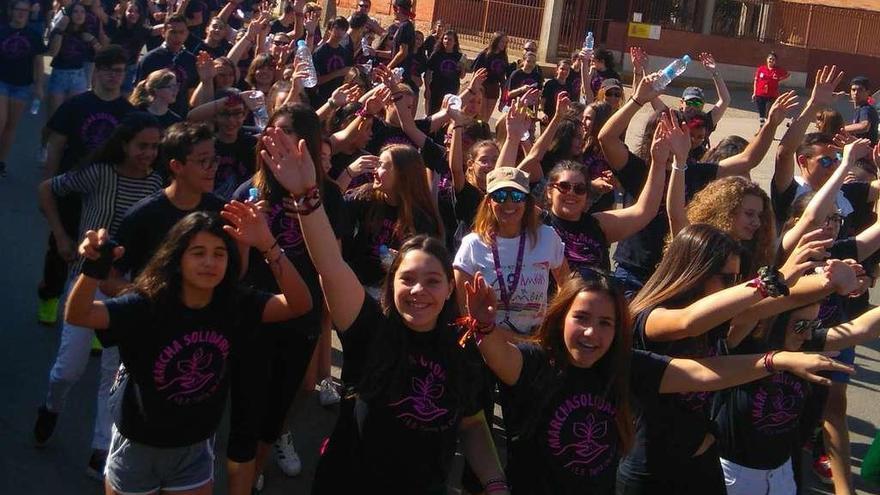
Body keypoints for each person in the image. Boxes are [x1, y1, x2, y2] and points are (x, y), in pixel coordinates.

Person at [256, 127, 509, 493]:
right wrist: (306, 197)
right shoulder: (369, 328)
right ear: (391, 285)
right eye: (407, 279)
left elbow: (471, 423)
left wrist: (495, 481)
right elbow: (330, 265)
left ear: (450, 287)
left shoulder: (460, 348)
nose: (418, 290)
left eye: (432, 281)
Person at [460, 271, 853, 495]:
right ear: (561, 316)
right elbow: (500, 356)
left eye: (605, 323)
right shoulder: (535, 362)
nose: (591, 334)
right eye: (581, 318)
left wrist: (775, 359)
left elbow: (702, 374)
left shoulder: (626, 366)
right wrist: (483, 325)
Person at [65, 205, 312, 495]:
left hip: (193, 450)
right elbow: (78, 315)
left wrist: (268, 244)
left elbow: (299, 304)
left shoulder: (234, 303)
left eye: (219, 254)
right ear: (176, 257)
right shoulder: (146, 304)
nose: (209, 262)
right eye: (198, 253)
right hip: (137, 446)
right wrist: (93, 268)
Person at [617, 223, 818, 493]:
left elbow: (777, 303)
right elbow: (688, 322)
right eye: (726, 279)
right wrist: (770, 281)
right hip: (651, 471)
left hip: (701, 461)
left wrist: (825, 280)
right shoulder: (649, 317)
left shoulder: (715, 320)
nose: (732, 288)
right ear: (695, 273)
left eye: (737, 280)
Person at [33, 112, 165, 479]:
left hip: (126, 291)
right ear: (125, 144)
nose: (148, 153)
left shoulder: (157, 186)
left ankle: (99, 447)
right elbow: (48, 189)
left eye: (155, 147)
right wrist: (62, 237)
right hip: (86, 285)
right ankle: (51, 405)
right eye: (142, 146)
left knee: (111, 374)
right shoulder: (99, 174)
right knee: (68, 369)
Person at [225, 105, 348, 492]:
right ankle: (242, 478)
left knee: (277, 411)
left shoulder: (327, 196)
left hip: (302, 320)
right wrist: (249, 239)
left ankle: (258, 466)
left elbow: (333, 265)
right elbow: (233, 275)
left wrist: (328, 323)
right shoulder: (250, 191)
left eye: (287, 138)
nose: (275, 144)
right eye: (271, 135)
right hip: (255, 317)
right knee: (246, 413)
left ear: (307, 147)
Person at [37, 44, 135, 325]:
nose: (113, 76)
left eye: (119, 71)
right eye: (107, 70)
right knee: (60, 248)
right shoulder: (77, 105)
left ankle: (92, 314)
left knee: (102, 254)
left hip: (107, 195)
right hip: (71, 188)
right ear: (96, 72)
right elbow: (56, 146)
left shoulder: (128, 113)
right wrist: (49, 183)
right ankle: (50, 297)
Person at [454, 167, 569, 337]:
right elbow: (463, 308)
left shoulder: (547, 237)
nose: (508, 203)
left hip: (536, 338)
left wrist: (555, 321)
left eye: (516, 196)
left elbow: (565, 284)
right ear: (488, 202)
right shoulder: (472, 245)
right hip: (490, 339)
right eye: (500, 196)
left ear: (527, 201)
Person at [343, 143, 444, 293]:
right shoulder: (366, 196)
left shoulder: (421, 219)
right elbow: (332, 208)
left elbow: (426, 263)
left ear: (403, 174)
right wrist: (348, 173)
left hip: (392, 291)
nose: (375, 171)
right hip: (356, 283)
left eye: (382, 166)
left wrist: (403, 261)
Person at [0, 0, 45, 177]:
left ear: (29, 13)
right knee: (1, 121)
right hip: (1, 81)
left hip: (22, 85)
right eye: (18, 10)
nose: (21, 13)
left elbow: (38, 62)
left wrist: (39, 85)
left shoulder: (34, 35)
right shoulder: (2, 31)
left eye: (25, 11)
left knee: (11, 126)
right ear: (12, 11)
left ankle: (1, 162)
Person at [46, 3, 104, 117]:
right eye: (75, 12)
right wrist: (60, 30)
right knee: (55, 117)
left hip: (78, 76)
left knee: (74, 116)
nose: (79, 15)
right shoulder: (59, 30)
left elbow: (100, 55)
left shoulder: (86, 33)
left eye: (82, 12)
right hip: (59, 74)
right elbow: (53, 52)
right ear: (69, 14)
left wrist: (93, 40)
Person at [136, 13, 198, 116]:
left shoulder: (191, 60)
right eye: (173, 32)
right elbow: (140, 92)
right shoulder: (150, 59)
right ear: (163, 32)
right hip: (152, 115)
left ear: (187, 34)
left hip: (179, 115)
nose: (177, 36)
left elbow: (191, 92)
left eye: (181, 32)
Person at [312, 16, 353, 105]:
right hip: (321, 97)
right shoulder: (320, 52)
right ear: (329, 30)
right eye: (337, 28)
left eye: (343, 29)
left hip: (339, 98)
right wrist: (338, 73)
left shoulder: (344, 52)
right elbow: (315, 81)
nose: (340, 32)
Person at [424, 29, 465, 114]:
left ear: (455, 42)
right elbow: (428, 72)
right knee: (433, 114)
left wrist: (462, 67)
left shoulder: (459, 57)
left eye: (450, 39)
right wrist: (427, 88)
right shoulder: (436, 54)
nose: (447, 41)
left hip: (451, 90)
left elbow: (462, 76)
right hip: (436, 89)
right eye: (445, 39)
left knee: (447, 115)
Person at [472, 32, 509, 121]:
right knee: (480, 115)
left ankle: (483, 133)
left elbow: (502, 78)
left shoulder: (503, 57)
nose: (504, 44)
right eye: (502, 42)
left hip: (494, 88)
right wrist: (475, 89)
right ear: (496, 41)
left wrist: (503, 97)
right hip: (483, 86)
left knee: (486, 117)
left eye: (505, 42)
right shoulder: (484, 54)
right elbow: (475, 73)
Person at [753, 52, 789, 127]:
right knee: (761, 113)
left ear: (775, 61)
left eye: (773, 59)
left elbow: (787, 74)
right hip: (760, 94)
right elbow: (756, 81)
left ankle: (767, 130)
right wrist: (754, 93)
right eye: (770, 59)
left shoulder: (778, 70)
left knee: (769, 112)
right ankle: (761, 129)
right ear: (767, 59)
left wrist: (779, 80)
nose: (771, 60)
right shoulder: (761, 69)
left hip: (772, 95)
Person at [844, 76, 879, 145]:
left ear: (867, 92)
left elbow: (864, 126)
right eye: (853, 90)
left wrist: (840, 129)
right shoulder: (859, 109)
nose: (856, 93)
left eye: (860, 90)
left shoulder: (866, 109)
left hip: (867, 153)